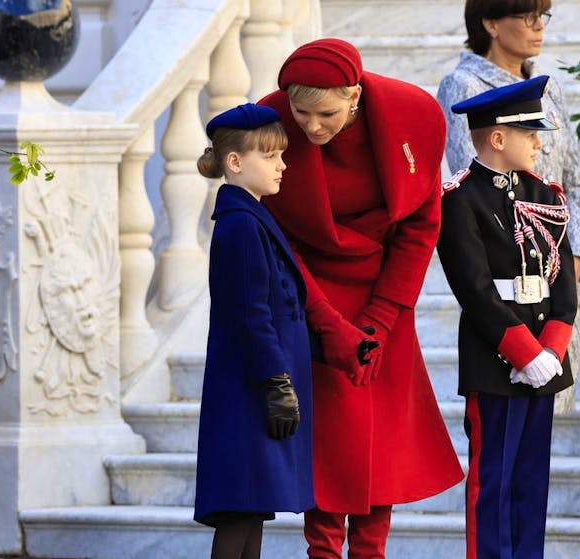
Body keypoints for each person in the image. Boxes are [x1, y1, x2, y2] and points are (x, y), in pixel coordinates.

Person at [257, 38, 463, 558]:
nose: (311, 127)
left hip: (384, 295)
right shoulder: (269, 120)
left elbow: (421, 225)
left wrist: (383, 316)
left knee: (381, 444)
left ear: (354, 96)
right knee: (327, 441)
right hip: (311, 296)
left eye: (325, 113)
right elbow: (275, 237)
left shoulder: (413, 113)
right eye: (301, 113)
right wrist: (326, 324)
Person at [437, 76, 577, 559]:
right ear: (498, 139)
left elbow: (564, 288)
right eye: (529, 132)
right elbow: (473, 290)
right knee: (492, 483)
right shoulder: (459, 200)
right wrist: (523, 352)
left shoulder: (547, 195)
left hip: (544, 361)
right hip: (494, 359)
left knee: (530, 481)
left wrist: (550, 353)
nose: (539, 142)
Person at [437, 0, 580, 414]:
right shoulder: (464, 83)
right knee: (510, 418)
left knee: (544, 413)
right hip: (510, 268)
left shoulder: (547, 86)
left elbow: (573, 179)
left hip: (557, 266)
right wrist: (531, 256)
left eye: (543, 16)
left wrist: (574, 255)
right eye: (527, 17)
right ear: (490, 23)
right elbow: (475, 181)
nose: (538, 27)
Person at [193, 103, 314, 559]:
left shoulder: (252, 218)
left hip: (257, 385)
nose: (283, 164)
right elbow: (250, 315)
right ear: (235, 162)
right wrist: (276, 384)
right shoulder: (241, 226)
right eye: (270, 156)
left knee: (251, 509)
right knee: (240, 510)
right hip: (251, 388)